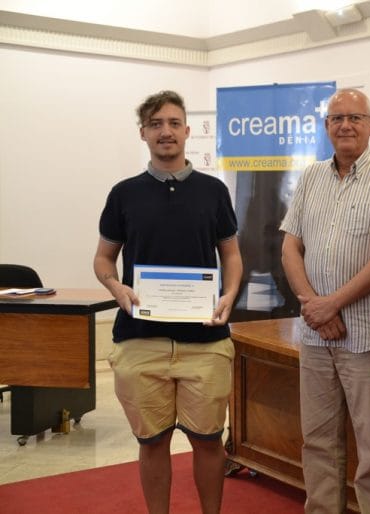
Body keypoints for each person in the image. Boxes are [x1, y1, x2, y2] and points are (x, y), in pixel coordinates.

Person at [93, 90, 243, 514]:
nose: (166, 132)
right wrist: (115, 287)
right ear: (143, 133)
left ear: (187, 131)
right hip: (140, 341)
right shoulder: (123, 194)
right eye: (156, 124)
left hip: (206, 342)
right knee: (152, 441)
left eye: (174, 123)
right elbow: (104, 258)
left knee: (208, 440)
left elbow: (231, 255)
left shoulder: (214, 192)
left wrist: (230, 294)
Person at [280, 88, 370, 514]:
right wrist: (313, 304)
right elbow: (290, 246)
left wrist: (331, 303)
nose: (345, 126)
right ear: (326, 128)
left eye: (355, 118)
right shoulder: (311, 177)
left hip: (368, 339)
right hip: (316, 337)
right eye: (337, 119)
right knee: (317, 441)